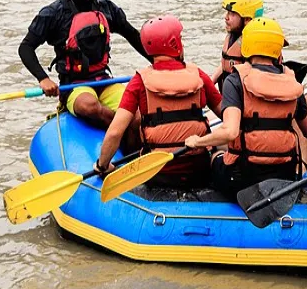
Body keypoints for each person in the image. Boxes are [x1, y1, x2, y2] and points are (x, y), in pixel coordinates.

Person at [18, 0, 147, 128]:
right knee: (90, 107)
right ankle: (117, 132)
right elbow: (26, 48)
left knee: (135, 114)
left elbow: (133, 36)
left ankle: (132, 150)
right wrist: (43, 78)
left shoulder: (106, 8)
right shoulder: (54, 13)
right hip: (74, 86)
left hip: (103, 80)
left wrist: (161, 63)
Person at [184, 17, 307, 195]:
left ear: (246, 48)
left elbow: (230, 132)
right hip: (283, 176)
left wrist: (198, 141)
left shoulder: (235, 81)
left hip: (243, 177)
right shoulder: (292, 81)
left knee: (216, 155)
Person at [95, 15, 222, 188]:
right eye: (180, 39)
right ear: (174, 44)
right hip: (198, 170)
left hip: (158, 173)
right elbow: (227, 116)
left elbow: (115, 132)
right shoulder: (198, 75)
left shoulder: (139, 82)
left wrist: (102, 166)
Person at [214, 0, 264, 86]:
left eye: (232, 14)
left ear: (247, 19)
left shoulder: (256, 46)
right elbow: (228, 63)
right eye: (227, 12)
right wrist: (211, 81)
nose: (226, 17)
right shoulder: (234, 34)